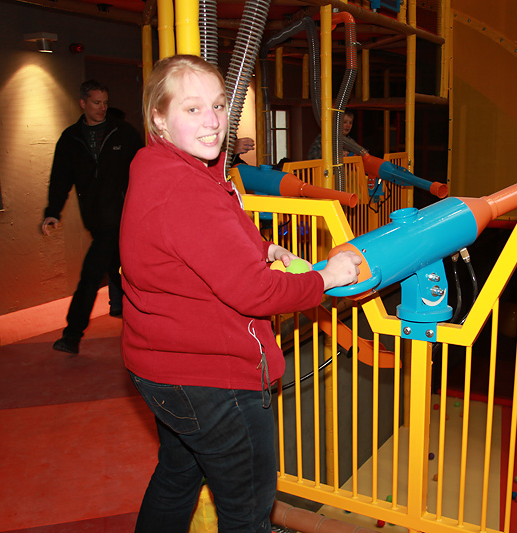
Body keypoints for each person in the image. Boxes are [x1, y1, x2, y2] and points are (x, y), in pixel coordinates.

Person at [120, 54, 361, 532]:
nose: (213, 121)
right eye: (192, 109)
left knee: (178, 475)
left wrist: (263, 247)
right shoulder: (185, 189)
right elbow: (255, 292)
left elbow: (197, 241)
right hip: (212, 379)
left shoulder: (159, 165)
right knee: (247, 511)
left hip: (160, 366)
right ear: (159, 118)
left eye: (218, 105)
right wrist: (327, 278)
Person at [42, 80, 143, 354]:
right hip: (97, 222)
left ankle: (71, 336)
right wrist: (52, 212)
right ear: (82, 103)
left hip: (122, 220)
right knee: (123, 275)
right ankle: (146, 328)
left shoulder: (123, 133)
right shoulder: (71, 139)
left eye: (105, 103)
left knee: (91, 276)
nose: (102, 108)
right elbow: (60, 178)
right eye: (97, 103)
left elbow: (145, 171)